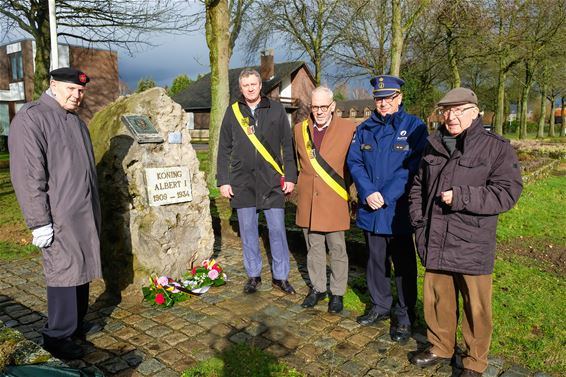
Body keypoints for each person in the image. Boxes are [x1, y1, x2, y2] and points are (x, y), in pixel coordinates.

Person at [408, 88, 522, 377]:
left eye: (459, 110)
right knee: (437, 300)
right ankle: (441, 346)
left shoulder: (496, 147)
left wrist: (462, 197)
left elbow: (507, 193)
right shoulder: (432, 144)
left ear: (475, 112)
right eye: (447, 110)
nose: (451, 116)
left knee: (476, 309)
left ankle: (474, 362)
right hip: (434, 237)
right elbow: (418, 186)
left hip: (472, 242)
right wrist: (419, 224)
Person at [9, 67, 102, 359]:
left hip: (83, 212)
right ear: (53, 85)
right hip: (58, 215)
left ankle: (75, 326)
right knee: (63, 271)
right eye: (71, 89)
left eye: (81, 91)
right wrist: (39, 222)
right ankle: (57, 336)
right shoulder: (32, 117)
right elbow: (28, 175)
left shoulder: (75, 121)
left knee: (81, 269)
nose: (77, 95)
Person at [347, 75, 428, 342]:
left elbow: (413, 166)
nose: (383, 104)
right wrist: (368, 191)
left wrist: (386, 194)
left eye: (389, 98)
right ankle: (380, 306)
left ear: (399, 98)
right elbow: (355, 162)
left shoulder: (414, 127)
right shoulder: (365, 128)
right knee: (375, 262)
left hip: (398, 211)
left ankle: (405, 315)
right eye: (379, 99)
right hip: (372, 209)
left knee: (404, 266)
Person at [217, 69, 298, 294]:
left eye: (254, 84)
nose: (250, 88)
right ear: (241, 88)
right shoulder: (233, 111)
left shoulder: (276, 109)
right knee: (248, 231)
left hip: (271, 180)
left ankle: (280, 277)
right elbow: (223, 148)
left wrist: (290, 176)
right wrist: (223, 180)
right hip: (242, 182)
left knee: (277, 230)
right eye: (246, 85)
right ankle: (253, 275)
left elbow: (288, 145)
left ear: (260, 85)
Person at [293, 86, 357, 313]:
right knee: (314, 248)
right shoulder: (299, 130)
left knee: (338, 249)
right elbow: (294, 162)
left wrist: (355, 196)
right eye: (315, 106)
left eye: (323, 107)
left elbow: (355, 166)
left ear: (333, 106)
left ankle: (337, 293)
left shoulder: (349, 129)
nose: (319, 111)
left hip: (334, 199)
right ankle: (318, 288)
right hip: (309, 200)